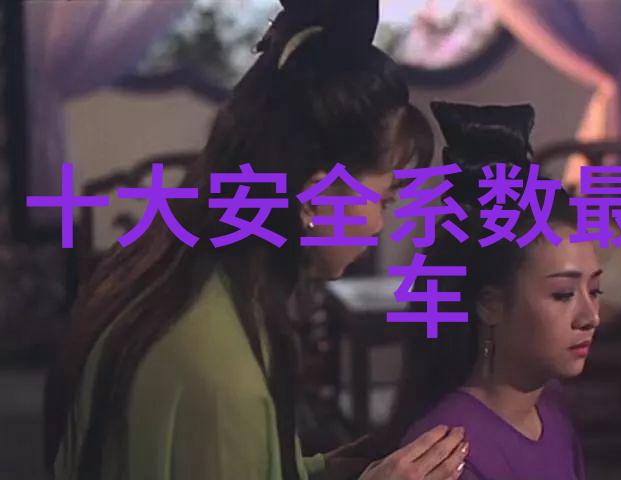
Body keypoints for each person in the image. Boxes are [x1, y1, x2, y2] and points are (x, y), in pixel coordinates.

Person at [44, 2, 469, 479]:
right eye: (384, 199)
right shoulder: (219, 370)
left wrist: (346, 467)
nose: (379, 225)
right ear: (316, 196)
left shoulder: (186, 279)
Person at [392, 102, 602, 480]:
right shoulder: (447, 453)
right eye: (564, 294)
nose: (590, 317)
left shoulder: (551, 413)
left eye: (595, 291)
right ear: (490, 304)